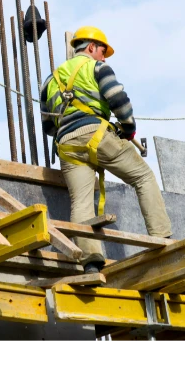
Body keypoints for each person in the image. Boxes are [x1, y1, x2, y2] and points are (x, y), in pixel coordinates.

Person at [40, 26, 172, 272]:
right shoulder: (97, 67)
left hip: (67, 145)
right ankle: (163, 240)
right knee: (143, 177)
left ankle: (91, 262)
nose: (103, 57)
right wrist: (128, 128)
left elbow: (48, 126)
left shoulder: (50, 80)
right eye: (102, 51)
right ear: (91, 48)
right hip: (97, 135)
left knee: (80, 201)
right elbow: (118, 100)